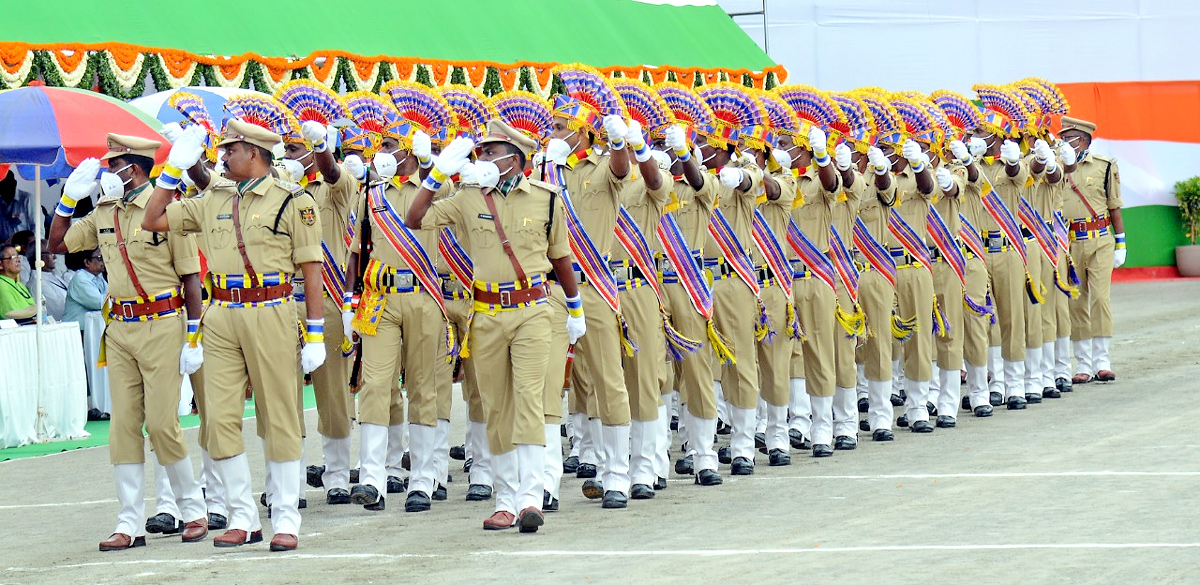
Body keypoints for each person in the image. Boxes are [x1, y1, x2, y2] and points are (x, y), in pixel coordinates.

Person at [142, 119, 326, 552]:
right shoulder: (212, 200)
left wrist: (315, 333)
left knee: (279, 415)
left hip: (271, 309)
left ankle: (285, 517)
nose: (222, 157)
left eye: (231, 150)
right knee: (219, 418)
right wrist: (172, 172)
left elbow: (312, 267)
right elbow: (152, 218)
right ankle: (244, 517)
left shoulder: (292, 200)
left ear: (255, 153)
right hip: (221, 312)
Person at [405, 120, 584, 533]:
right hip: (485, 313)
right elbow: (415, 218)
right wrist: (435, 174)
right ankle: (505, 498)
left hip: (533, 311)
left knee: (528, 399)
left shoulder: (547, 199)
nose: (480, 158)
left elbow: (560, 258)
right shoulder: (468, 198)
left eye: (489, 152)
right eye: (480, 151)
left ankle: (530, 498)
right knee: (495, 406)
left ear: (514, 159)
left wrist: (574, 308)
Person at [48, 135, 209, 552]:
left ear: (132, 168)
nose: (106, 171)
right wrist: (68, 201)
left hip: (162, 322)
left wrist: (193, 334)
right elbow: (57, 244)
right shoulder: (104, 211)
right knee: (121, 427)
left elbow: (191, 278)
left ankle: (192, 511)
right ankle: (129, 523)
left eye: (113, 163)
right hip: (119, 327)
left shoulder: (166, 208)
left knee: (161, 423)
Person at [1059, 116, 1123, 384]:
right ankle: (1083, 363)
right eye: (1063, 138)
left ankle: (1102, 361)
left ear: (1084, 140)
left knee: (1099, 299)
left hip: (1100, 239)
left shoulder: (1104, 166)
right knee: (1076, 302)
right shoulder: (1056, 169)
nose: (1064, 143)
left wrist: (1121, 242)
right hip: (1070, 241)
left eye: (1069, 138)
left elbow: (1114, 205)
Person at [26, 241, 71, 322]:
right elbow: (57, 309)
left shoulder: (53, 275)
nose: (55, 257)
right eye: (51, 253)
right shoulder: (38, 281)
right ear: (39, 257)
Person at [62, 249, 107, 324]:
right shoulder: (80, 278)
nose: (103, 261)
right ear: (87, 262)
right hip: (77, 329)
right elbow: (100, 303)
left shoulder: (99, 277)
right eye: (99, 258)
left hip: (92, 327)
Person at [0, 244, 35, 321]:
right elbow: (11, 314)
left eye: (17, 256)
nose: (18, 260)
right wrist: (36, 309)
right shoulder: (1, 285)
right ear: (0, 264)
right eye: (13, 257)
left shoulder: (20, 285)